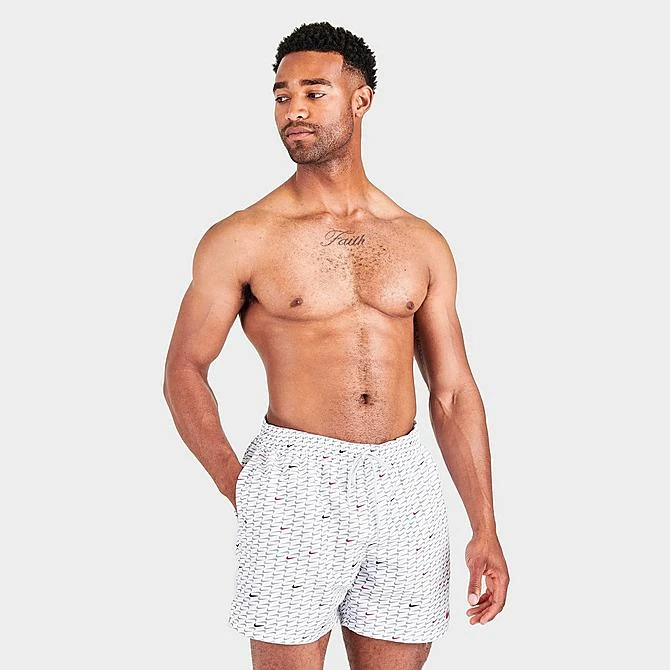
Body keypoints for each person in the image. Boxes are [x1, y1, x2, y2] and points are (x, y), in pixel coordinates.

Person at [163, 20, 509, 670]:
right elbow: (185, 368)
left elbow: (452, 391)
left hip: (404, 481)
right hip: (295, 475)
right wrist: (241, 485)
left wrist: (484, 527)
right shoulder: (243, 237)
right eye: (281, 95)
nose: (292, 109)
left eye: (313, 92)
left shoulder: (419, 241)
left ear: (360, 99)